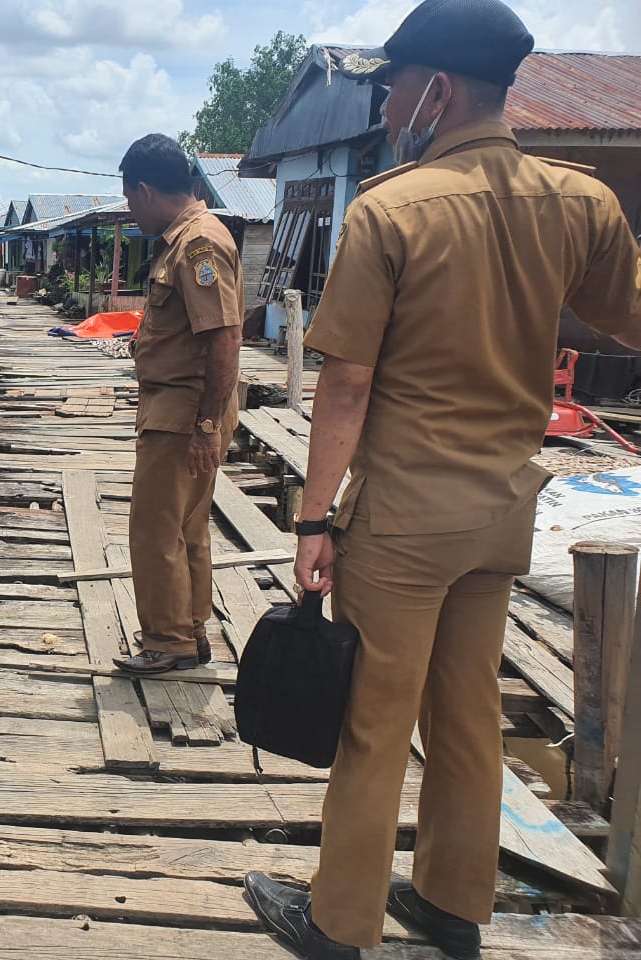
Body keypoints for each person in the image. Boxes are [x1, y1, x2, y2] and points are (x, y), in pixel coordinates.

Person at [242, 1, 641, 958]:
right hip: (504, 509)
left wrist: (310, 522)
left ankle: (338, 924)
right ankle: (453, 906)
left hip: (405, 518)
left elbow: (344, 382)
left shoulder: (392, 209)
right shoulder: (580, 201)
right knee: (468, 715)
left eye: (394, 88)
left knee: (376, 721)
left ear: (439, 90)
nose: (385, 106)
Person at [113, 134, 243, 674]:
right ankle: (190, 630)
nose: (129, 211)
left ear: (144, 190)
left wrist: (207, 424)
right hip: (187, 407)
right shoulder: (190, 238)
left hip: (185, 411)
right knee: (186, 526)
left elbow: (225, 337)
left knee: (155, 528)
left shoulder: (197, 244)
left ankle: (168, 640)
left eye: (128, 198)